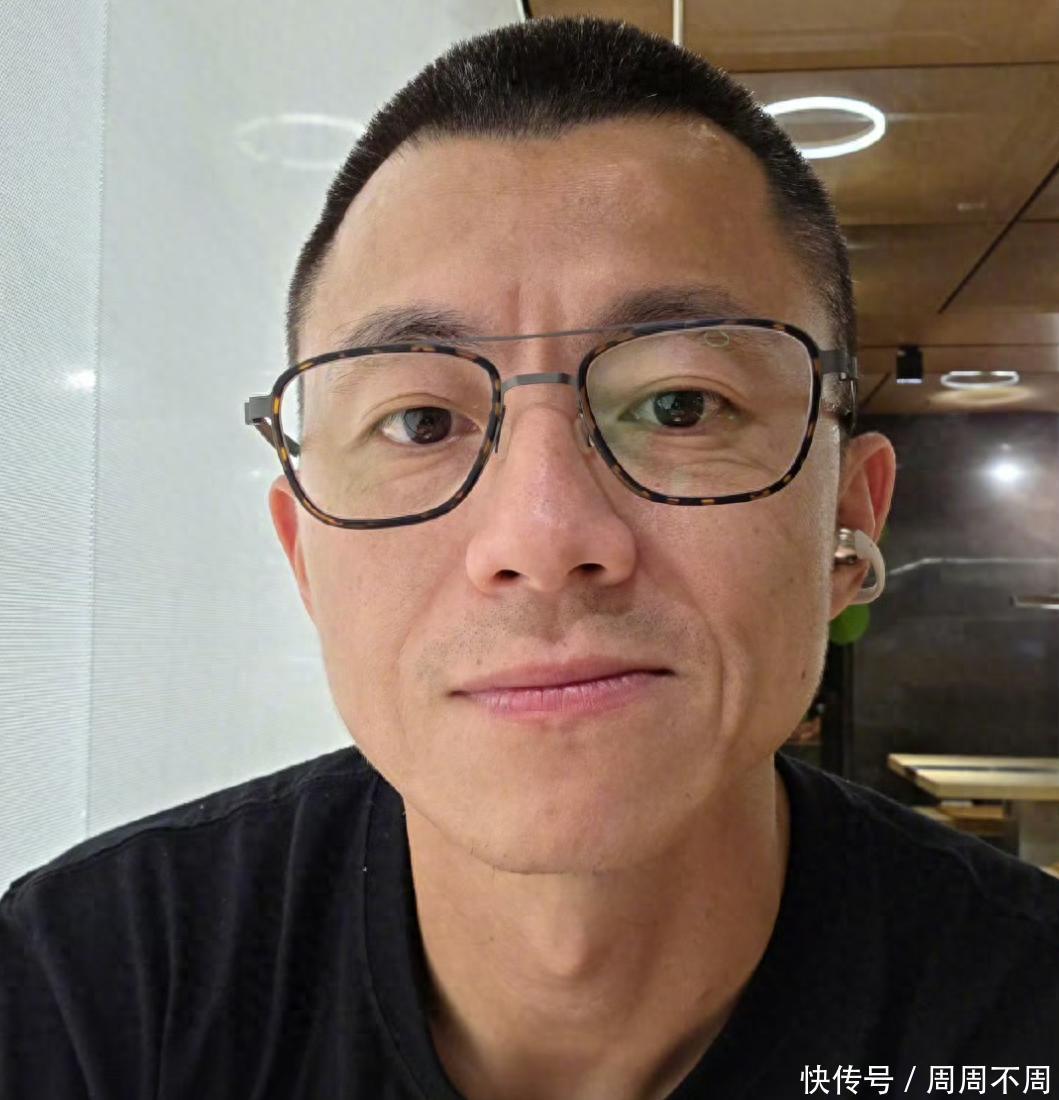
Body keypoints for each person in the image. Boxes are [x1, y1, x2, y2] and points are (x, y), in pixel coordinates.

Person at [2, 15, 1057, 1100]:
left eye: (680, 404)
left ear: (848, 521)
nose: (544, 538)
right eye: (420, 421)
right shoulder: (90, 993)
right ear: (304, 555)